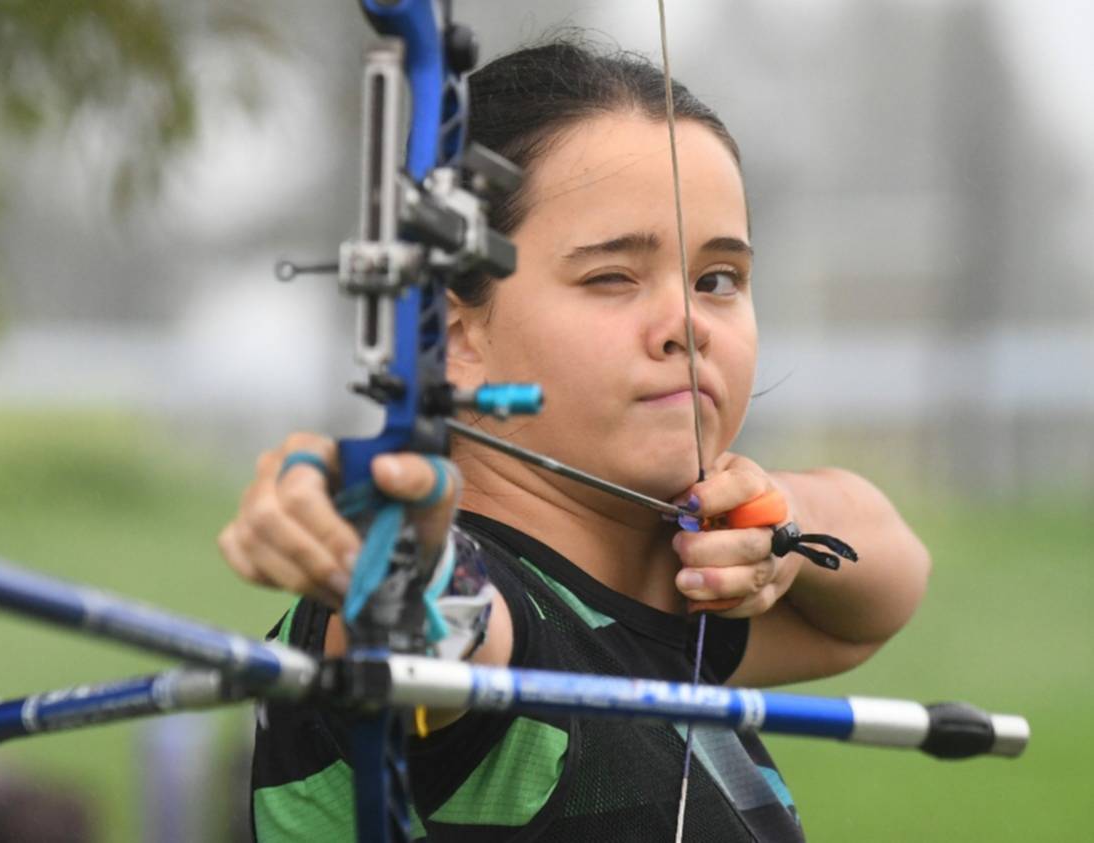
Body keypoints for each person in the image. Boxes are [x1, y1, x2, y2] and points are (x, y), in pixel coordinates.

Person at [218, 39, 930, 842]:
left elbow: (880, 595)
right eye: (610, 277)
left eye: (718, 279)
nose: (687, 325)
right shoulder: (492, 628)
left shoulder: (661, 595)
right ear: (451, 335)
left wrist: (783, 524)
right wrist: (382, 537)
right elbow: (436, 628)